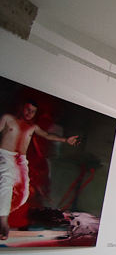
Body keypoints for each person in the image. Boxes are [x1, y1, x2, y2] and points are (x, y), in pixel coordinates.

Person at [0, 100, 79, 239]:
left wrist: (66, 140)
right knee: (6, 184)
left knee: (23, 194)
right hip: (5, 155)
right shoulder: (8, 118)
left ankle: (2, 212)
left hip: (21, 160)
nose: (29, 113)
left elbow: (47, 135)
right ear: (21, 108)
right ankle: (2, 223)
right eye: (27, 109)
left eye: (33, 111)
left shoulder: (32, 127)